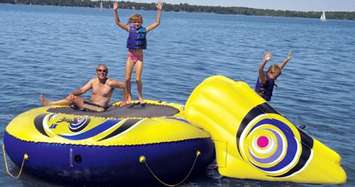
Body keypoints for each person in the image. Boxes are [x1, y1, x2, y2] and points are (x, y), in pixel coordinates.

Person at [113, 1, 163, 104]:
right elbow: (118, 22)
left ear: (141, 22)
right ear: (132, 22)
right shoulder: (129, 28)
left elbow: (157, 23)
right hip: (130, 56)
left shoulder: (145, 30)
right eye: (135, 22)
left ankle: (140, 97)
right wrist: (115, 11)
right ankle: (129, 96)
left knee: (138, 79)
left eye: (139, 22)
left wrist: (159, 10)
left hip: (139, 57)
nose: (137, 23)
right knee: (127, 79)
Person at [40, 64, 126, 112]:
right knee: (73, 97)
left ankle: (51, 104)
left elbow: (126, 86)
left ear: (107, 72)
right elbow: (82, 90)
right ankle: (52, 103)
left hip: (100, 109)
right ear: (96, 72)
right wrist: (72, 93)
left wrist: (125, 100)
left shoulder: (110, 83)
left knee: (75, 99)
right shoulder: (93, 81)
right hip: (90, 105)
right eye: (99, 70)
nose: (102, 72)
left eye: (104, 71)